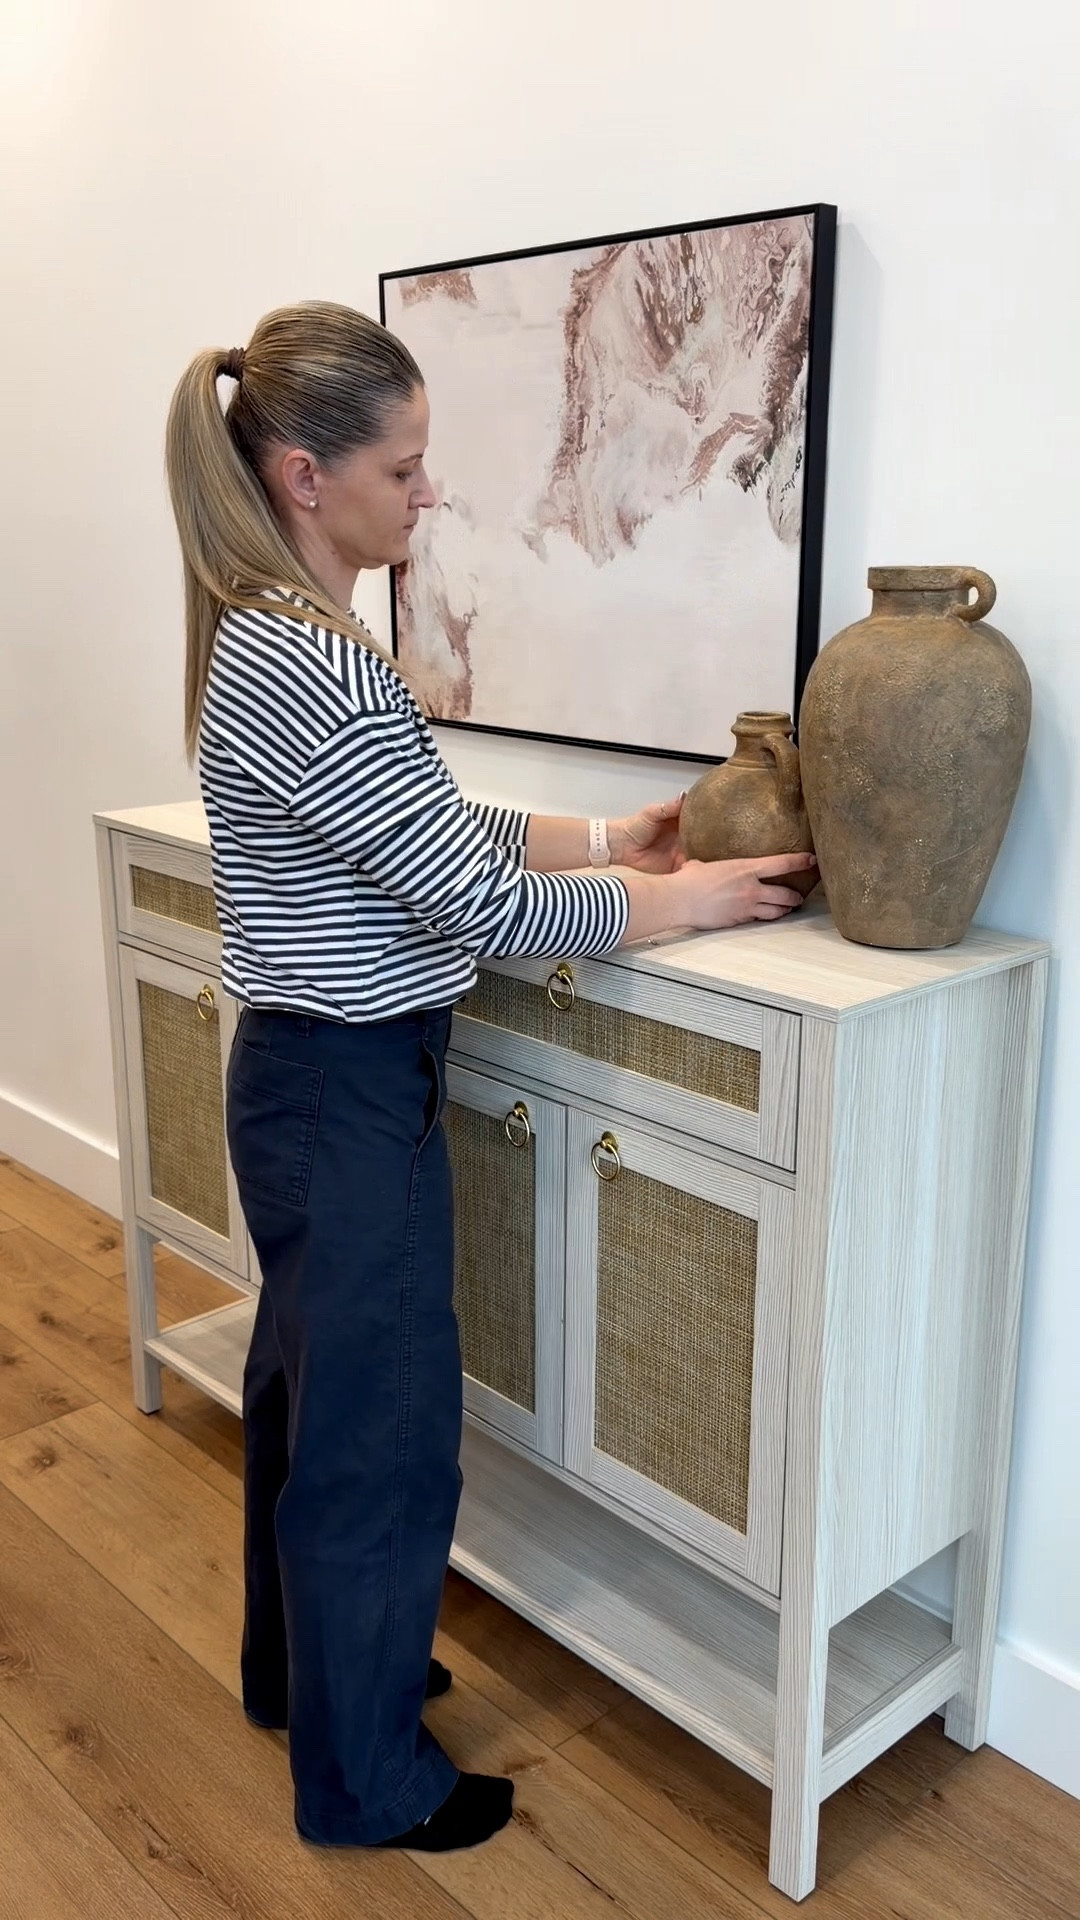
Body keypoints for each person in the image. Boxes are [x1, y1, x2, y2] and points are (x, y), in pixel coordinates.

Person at [164, 299, 814, 1856]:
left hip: (305, 1086)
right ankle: (368, 1782)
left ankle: (308, 1682)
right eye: (406, 466)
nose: (430, 491)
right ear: (307, 476)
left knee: (312, 1407)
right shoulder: (310, 663)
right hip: (346, 1094)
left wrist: (613, 838)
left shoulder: (274, 638)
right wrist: (683, 902)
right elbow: (476, 901)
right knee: (379, 1440)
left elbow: (427, 832)